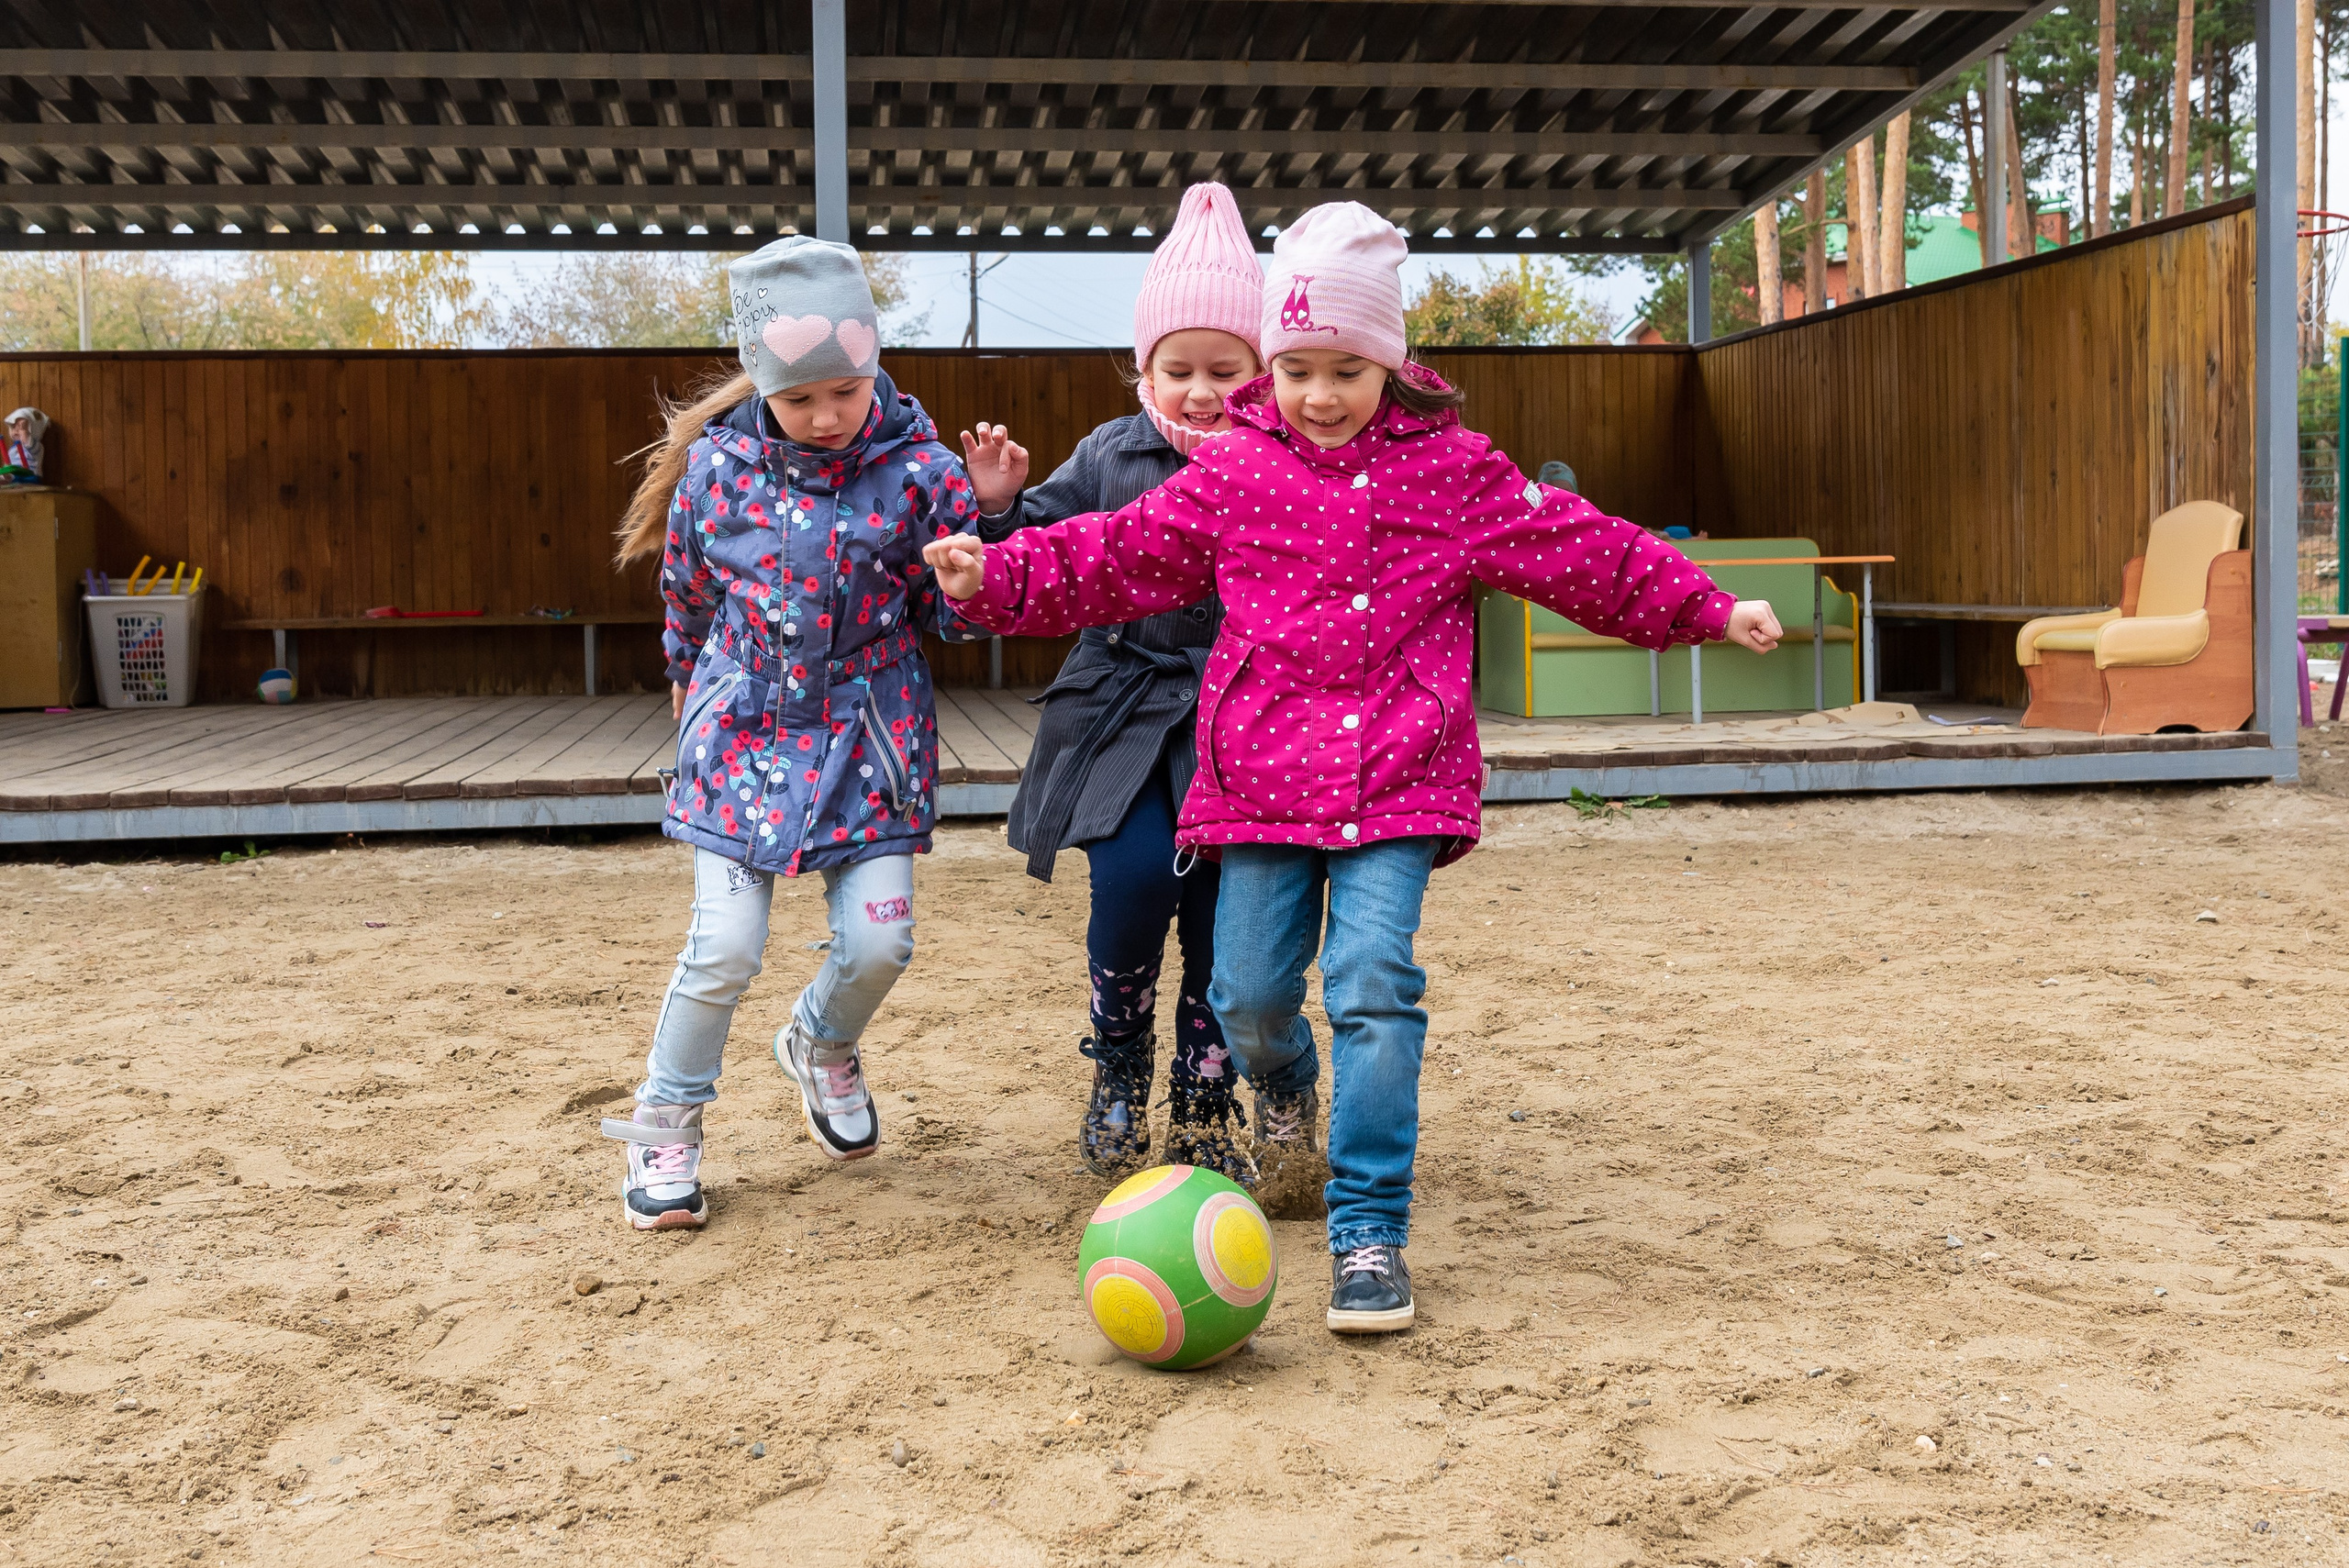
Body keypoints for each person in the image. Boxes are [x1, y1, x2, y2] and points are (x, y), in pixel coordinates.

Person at [923, 201, 1783, 1331]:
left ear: (1391, 363)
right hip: (1260, 786)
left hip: (1398, 778)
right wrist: (999, 574)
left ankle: (1368, 1227)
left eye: (1346, 369)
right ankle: (1283, 1086)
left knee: (1374, 982)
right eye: (1297, 370)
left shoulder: (1456, 475)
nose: (1319, 396)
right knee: (1248, 998)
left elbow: (1581, 547)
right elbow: (1116, 555)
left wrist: (1708, 604)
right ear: (1268, 366)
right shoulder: (1234, 474)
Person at [603, 236, 980, 1230]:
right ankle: (667, 1119)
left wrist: (988, 527)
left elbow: (958, 617)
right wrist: (687, 681)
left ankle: (819, 1041)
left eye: (845, 393)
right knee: (722, 945)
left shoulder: (922, 473)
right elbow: (684, 592)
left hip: (871, 739)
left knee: (879, 942)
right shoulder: (715, 474)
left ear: (873, 368)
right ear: (761, 383)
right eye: (799, 398)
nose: (824, 417)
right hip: (741, 739)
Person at [953, 183, 1265, 1190]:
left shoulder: (1283, 465)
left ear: (1264, 370)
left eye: (1226, 368)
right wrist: (997, 512)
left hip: (1243, 721)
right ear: (1144, 368)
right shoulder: (1110, 452)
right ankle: (1120, 1065)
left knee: (1227, 915)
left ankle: (1207, 1086)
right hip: (1125, 711)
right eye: (1179, 368)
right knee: (1130, 885)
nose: (1202, 389)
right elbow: (1036, 553)